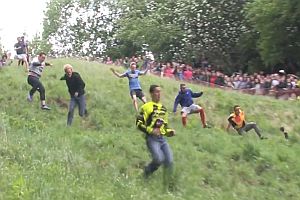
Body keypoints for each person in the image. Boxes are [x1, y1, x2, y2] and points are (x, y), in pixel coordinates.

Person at [136, 85, 175, 184]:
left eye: (160, 92)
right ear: (151, 93)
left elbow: (164, 127)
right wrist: (150, 130)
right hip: (151, 139)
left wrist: (169, 132)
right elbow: (139, 124)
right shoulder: (146, 107)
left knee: (169, 161)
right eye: (157, 92)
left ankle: (167, 184)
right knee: (158, 159)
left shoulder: (164, 109)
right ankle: (145, 174)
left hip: (162, 139)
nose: (159, 94)